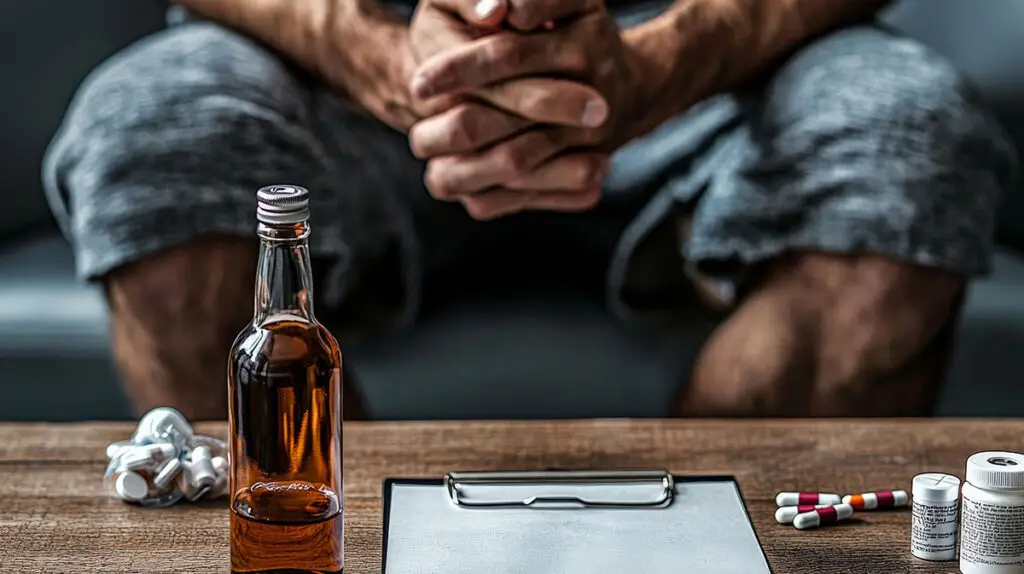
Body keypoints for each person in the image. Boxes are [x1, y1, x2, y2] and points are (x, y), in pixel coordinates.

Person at [43, 0, 1016, 421]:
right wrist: (377, 52)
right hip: (327, 75)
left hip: (733, 73)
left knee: (907, 144)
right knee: (153, 140)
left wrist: (667, 60)